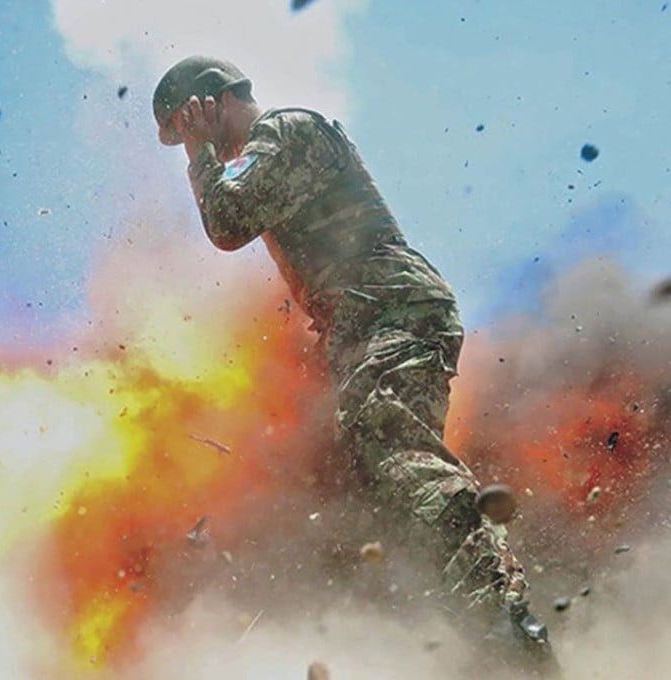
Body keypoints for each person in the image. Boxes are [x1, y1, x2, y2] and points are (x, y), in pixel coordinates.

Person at [152, 55, 557, 670]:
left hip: (389, 308)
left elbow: (228, 224)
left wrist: (200, 157)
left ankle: (500, 615)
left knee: (392, 446)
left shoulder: (283, 132)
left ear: (212, 103)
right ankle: (468, 628)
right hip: (367, 319)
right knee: (364, 487)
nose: (187, 141)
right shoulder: (271, 150)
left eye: (186, 125)